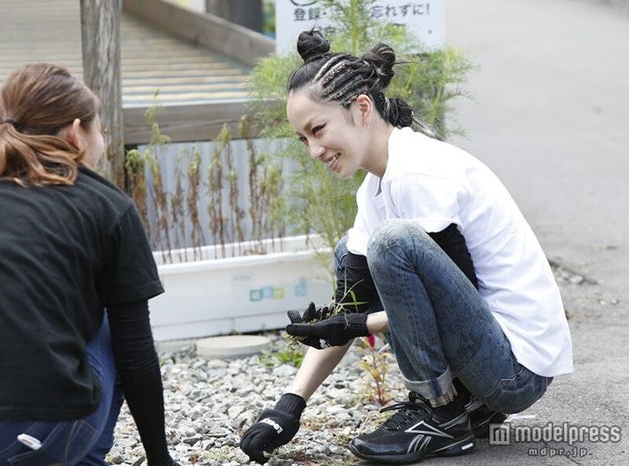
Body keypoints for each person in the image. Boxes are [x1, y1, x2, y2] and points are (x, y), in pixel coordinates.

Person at [239, 29, 573, 465]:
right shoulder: (376, 188)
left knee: (391, 243)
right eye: (304, 139)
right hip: (488, 358)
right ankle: (466, 405)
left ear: (361, 109)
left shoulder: (418, 172)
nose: (315, 150)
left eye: (318, 129)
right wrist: (287, 409)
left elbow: (449, 301)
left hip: (516, 370)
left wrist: (358, 324)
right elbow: (351, 309)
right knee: (351, 250)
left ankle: (439, 413)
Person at [0, 63, 180, 466]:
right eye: (100, 130)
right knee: (110, 323)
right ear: (76, 132)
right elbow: (135, 354)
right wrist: (159, 458)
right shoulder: (105, 205)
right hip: (38, 436)